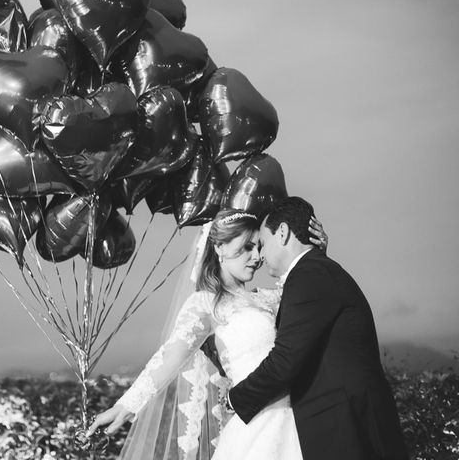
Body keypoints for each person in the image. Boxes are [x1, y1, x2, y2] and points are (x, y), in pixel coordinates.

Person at [87, 208, 329, 459]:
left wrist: (317, 254)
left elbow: (313, 309)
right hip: (256, 429)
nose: (257, 257)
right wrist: (124, 407)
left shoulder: (272, 298)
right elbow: (167, 359)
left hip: (303, 423)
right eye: (246, 247)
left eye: (258, 247)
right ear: (220, 248)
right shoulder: (206, 305)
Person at [229, 196, 408, 460]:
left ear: (283, 233)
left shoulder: (308, 275)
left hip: (348, 426)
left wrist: (235, 399)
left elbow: (285, 361)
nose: (261, 255)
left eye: (263, 244)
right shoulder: (316, 271)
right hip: (344, 422)